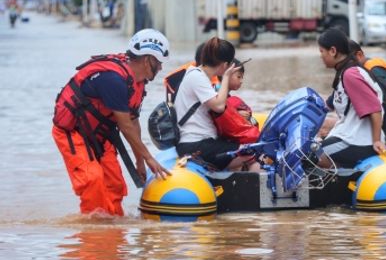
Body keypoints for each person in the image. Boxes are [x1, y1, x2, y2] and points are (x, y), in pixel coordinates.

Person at [52, 29, 172, 216]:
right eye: (159, 63)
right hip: (73, 132)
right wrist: (149, 158)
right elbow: (124, 126)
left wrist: (139, 161)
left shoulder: (137, 82)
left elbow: (133, 122)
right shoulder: (113, 80)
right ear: (148, 60)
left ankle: (114, 235)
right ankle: (94, 237)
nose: (160, 68)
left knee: (114, 184)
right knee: (93, 181)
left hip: (100, 133)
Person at [174, 37, 260, 171]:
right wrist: (226, 77)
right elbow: (219, 106)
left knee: (244, 149)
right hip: (196, 145)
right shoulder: (197, 77)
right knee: (251, 152)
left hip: (203, 143)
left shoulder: (198, 76)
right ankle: (257, 190)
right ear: (225, 65)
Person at [317, 28, 386, 168]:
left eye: (321, 52)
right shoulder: (345, 71)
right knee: (315, 144)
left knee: (310, 155)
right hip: (352, 136)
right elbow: (330, 103)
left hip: (361, 141)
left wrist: (377, 141)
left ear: (333, 51)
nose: (321, 56)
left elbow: (375, 109)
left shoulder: (350, 74)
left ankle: (338, 184)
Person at [211, 58, 260, 144]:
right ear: (226, 74)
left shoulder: (225, 95)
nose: (241, 81)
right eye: (238, 77)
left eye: (242, 77)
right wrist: (236, 115)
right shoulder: (215, 93)